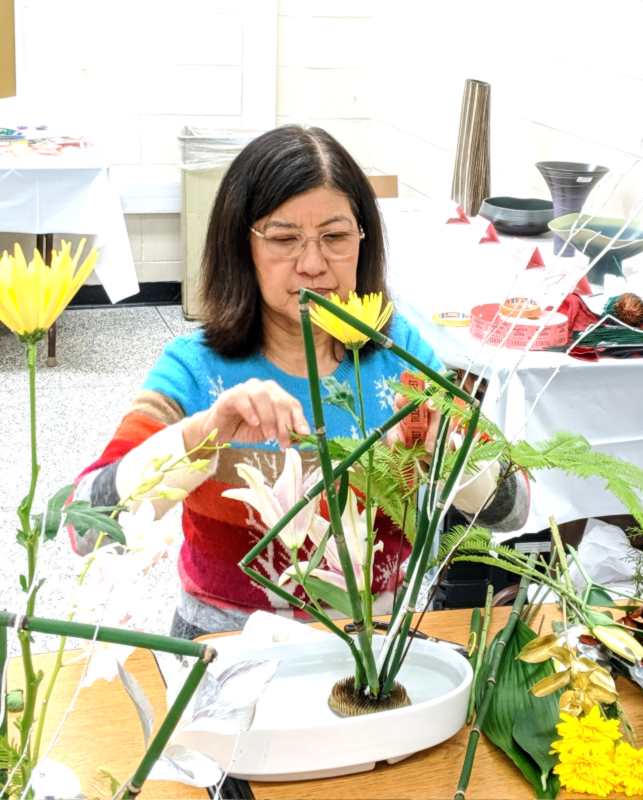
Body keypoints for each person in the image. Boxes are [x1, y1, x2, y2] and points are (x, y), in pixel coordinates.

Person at [70, 125, 529, 640]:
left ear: (364, 240)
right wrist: (203, 436)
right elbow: (85, 526)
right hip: (226, 650)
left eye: (335, 237)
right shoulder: (197, 368)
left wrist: (446, 448)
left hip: (374, 650)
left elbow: (513, 510)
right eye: (284, 239)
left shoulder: (399, 354)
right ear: (241, 245)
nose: (313, 265)